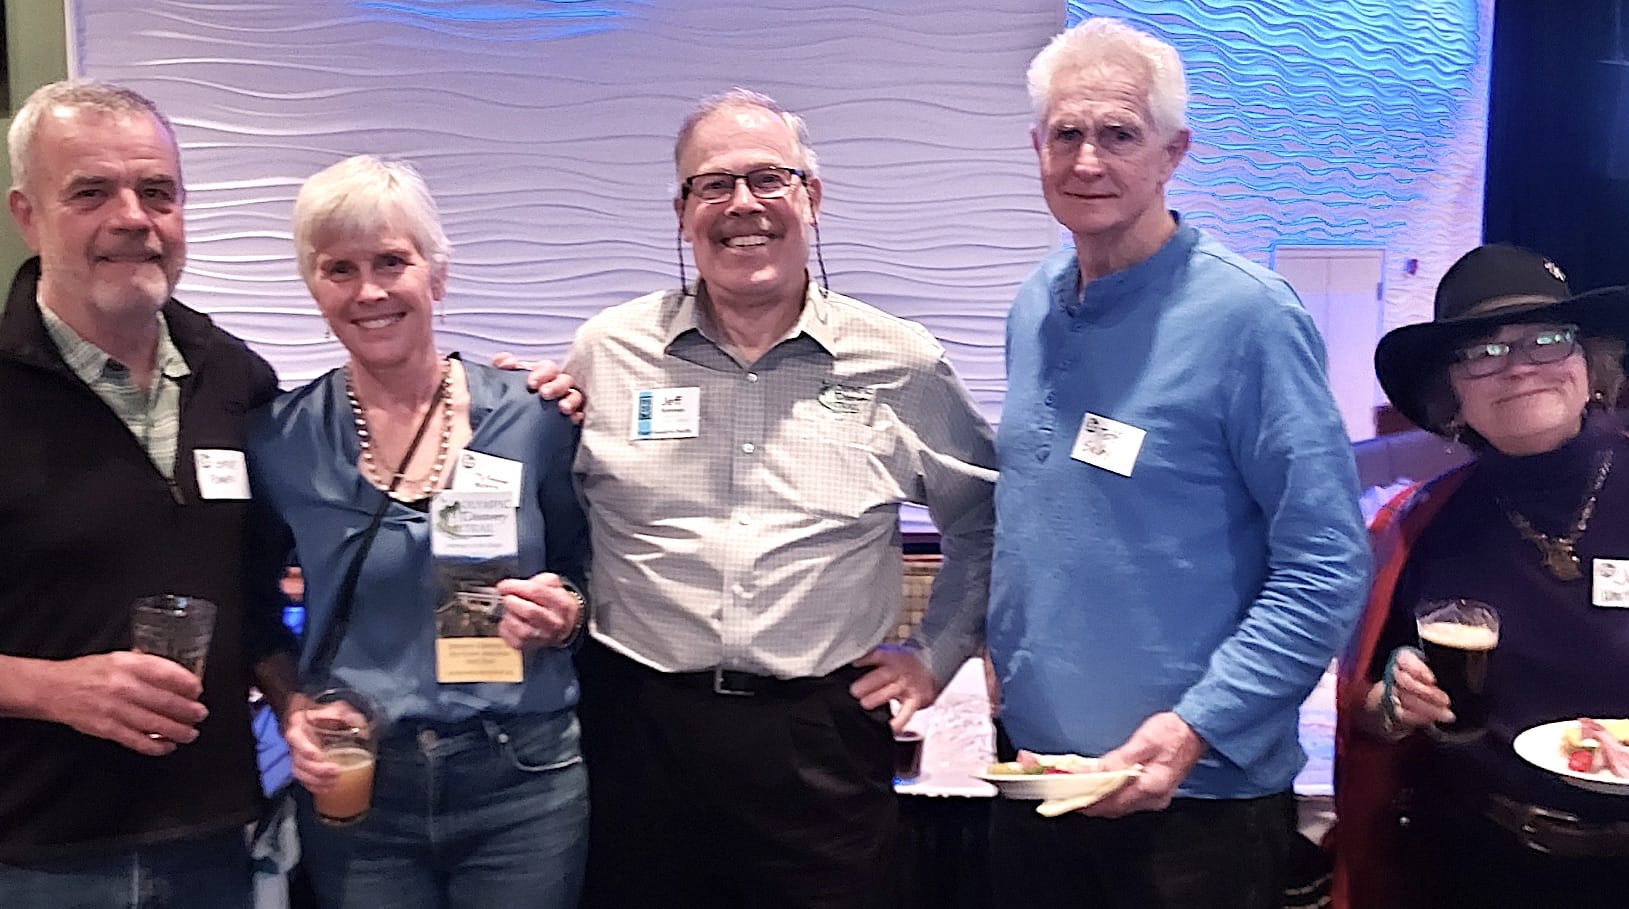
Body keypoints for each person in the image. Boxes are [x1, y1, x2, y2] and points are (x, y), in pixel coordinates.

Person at [561, 88, 996, 909]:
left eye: (769, 178)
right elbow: (556, 519)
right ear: (682, 213)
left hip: (819, 745)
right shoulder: (607, 352)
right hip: (639, 734)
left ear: (812, 199)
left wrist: (935, 654)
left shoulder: (900, 362)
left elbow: (984, 520)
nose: (743, 205)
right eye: (713, 184)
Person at [984, 18, 1372, 908]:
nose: (1088, 161)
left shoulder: (1250, 318)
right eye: (1067, 134)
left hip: (1195, 806)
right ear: (1037, 147)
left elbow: (1326, 564)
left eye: (1119, 134)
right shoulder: (1034, 303)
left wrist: (1198, 724)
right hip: (1040, 780)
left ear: (1173, 153)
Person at [246, 155, 589, 908]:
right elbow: (249, 606)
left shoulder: (534, 417)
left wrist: (565, 611)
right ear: (314, 287)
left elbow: (583, 567)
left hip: (522, 782)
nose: (368, 291)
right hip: (361, 783)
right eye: (339, 269)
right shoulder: (279, 440)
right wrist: (290, 702)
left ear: (437, 274)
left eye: (391, 262)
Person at [0, 79, 300, 906]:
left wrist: (295, 700)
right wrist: (50, 688)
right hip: (36, 855)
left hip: (217, 842)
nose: (133, 217)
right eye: (91, 192)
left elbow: (257, 595)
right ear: (28, 215)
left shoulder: (235, 377)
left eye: (157, 192)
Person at [1332, 243, 1629, 907]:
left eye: (1546, 339)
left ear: (1590, 364)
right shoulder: (1416, 524)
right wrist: (1394, 703)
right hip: (1470, 868)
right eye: (1483, 352)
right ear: (1452, 394)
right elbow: (1371, 712)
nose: (1518, 366)